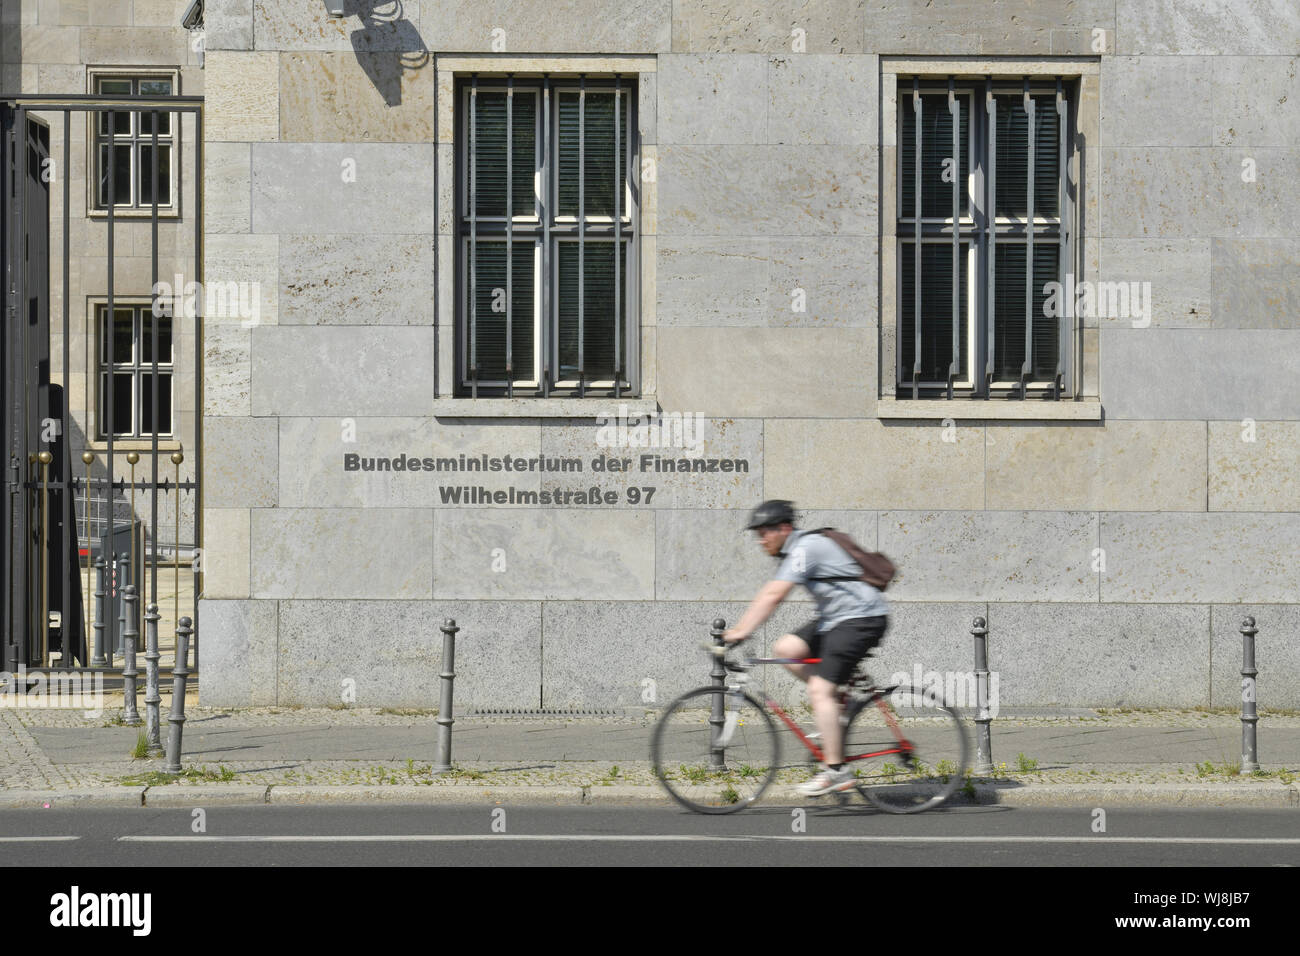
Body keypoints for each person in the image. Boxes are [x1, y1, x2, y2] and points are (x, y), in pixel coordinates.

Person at [722, 499, 890, 796]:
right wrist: (741, 630)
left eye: (765, 533)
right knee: (786, 648)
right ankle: (839, 703)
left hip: (862, 618)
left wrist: (740, 632)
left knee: (819, 691)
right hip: (835, 618)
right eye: (757, 534)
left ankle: (836, 771)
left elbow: (774, 594)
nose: (761, 540)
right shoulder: (795, 551)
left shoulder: (805, 547)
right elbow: (771, 592)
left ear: (785, 528)